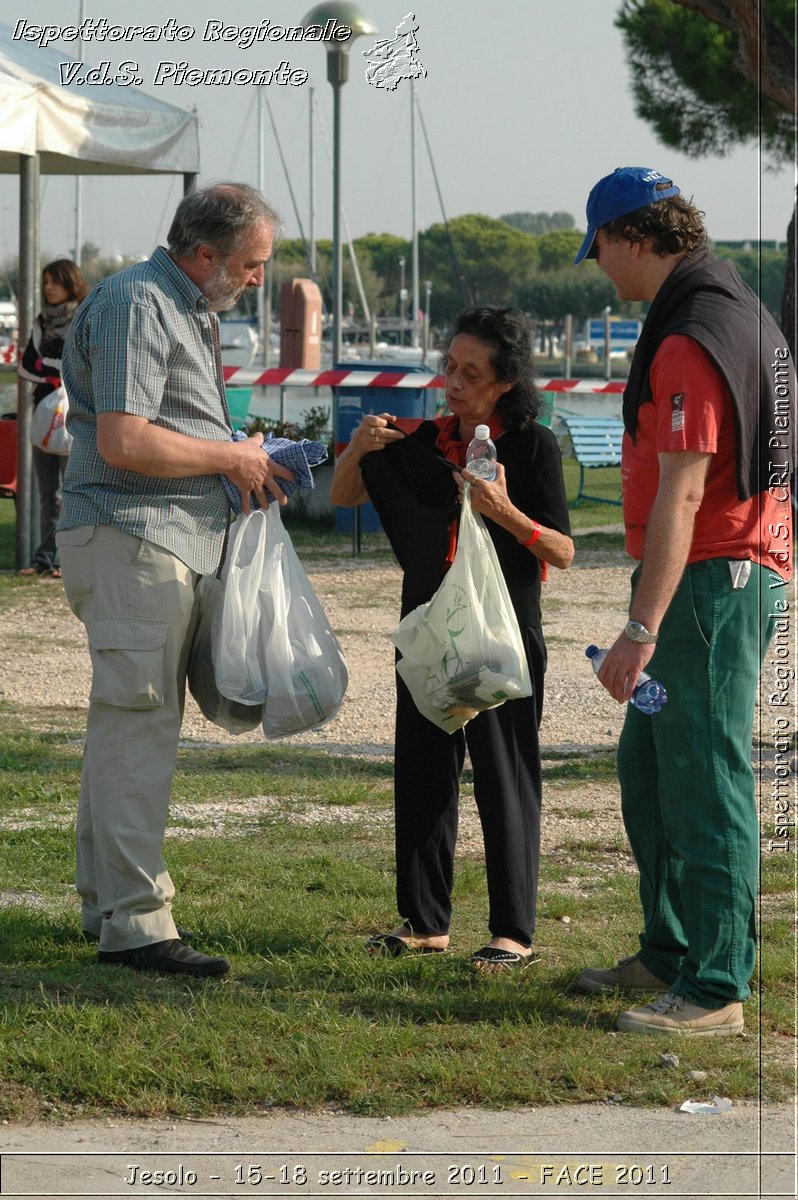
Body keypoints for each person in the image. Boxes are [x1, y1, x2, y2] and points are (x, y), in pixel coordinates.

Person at [573, 167, 794, 1034]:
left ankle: (714, 987)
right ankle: (668, 949)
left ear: (632, 238)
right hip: (724, 573)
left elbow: (684, 494)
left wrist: (639, 626)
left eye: (601, 253)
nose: (602, 271)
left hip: (709, 584)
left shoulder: (689, 334)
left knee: (704, 776)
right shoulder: (730, 302)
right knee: (653, 766)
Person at [57, 183, 293, 978]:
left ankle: (105, 904)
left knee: (123, 728)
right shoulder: (138, 305)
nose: (258, 278)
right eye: (252, 264)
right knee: (139, 731)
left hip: (150, 541)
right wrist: (232, 456)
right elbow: (124, 441)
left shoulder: (177, 304)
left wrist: (232, 449)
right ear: (204, 255)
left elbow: (159, 428)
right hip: (133, 540)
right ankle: (136, 924)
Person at [330, 306, 574, 970]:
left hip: (502, 630)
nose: (454, 382)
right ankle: (424, 921)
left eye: (472, 372)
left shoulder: (531, 446)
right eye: (450, 366)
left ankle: (513, 932)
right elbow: (345, 494)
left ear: (504, 382)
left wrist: (507, 514)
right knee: (424, 770)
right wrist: (356, 448)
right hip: (431, 626)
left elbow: (562, 548)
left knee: (505, 775)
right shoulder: (426, 438)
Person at [18, 259, 89, 578]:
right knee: (48, 494)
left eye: (54, 281)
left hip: (75, 416)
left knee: (69, 493)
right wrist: (55, 366)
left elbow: (83, 362)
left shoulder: (85, 316)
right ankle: (46, 560)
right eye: (45, 281)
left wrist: (53, 366)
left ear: (69, 282)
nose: (48, 288)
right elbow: (27, 365)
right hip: (44, 412)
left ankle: (59, 559)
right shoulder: (41, 321)